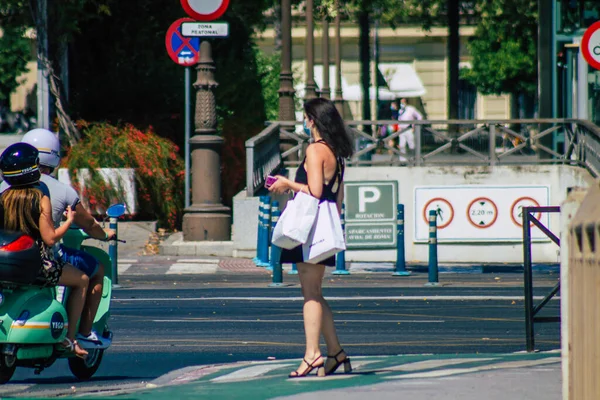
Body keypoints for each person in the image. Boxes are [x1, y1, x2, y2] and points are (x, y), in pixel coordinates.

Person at [2, 128, 115, 349]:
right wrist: (90, 229)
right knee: (87, 276)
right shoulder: (47, 192)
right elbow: (82, 228)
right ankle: (75, 337)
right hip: (38, 260)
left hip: (7, 256)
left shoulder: (4, 191)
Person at [268, 98, 353, 378]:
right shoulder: (336, 153)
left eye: (306, 117)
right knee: (316, 292)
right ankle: (336, 353)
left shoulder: (315, 149)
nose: (304, 122)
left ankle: (312, 354)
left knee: (310, 295)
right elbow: (336, 198)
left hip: (310, 228)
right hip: (324, 226)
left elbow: (314, 191)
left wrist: (286, 183)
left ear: (312, 120)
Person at [0, 143, 89, 358]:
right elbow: (49, 238)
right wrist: (68, 222)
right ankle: (70, 338)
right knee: (83, 279)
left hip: (6, 262)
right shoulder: (40, 198)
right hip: (38, 265)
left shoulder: (3, 198)